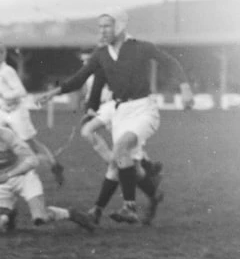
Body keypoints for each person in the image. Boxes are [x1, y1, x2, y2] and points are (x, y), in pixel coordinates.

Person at [37, 12, 193, 224]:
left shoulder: (140, 47)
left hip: (143, 110)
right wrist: (52, 94)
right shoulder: (101, 55)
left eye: (107, 26)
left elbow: (170, 62)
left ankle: (129, 207)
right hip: (120, 113)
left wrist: (184, 88)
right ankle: (99, 211)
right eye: (100, 27)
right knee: (118, 164)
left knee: (120, 150)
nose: (102, 31)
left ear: (119, 27)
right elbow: (78, 79)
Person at [0, 108, 95, 236]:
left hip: (24, 176)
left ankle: (70, 213)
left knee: (42, 218)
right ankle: (8, 215)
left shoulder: (4, 135)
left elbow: (32, 160)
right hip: (0, 183)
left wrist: (8, 175)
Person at [81, 65, 163, 224]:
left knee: (121, 164)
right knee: (128, 166)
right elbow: (90, 95)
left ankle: (97, 211)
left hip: (125, 111)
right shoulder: (95, 71)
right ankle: (153, 192)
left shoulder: (120, 63)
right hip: (108, 110)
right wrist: (90, 110)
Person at [0, 44, 65, 186]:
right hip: (4, 112)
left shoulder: (7, 71)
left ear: (3, 57)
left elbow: (21, 92)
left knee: (30, 142)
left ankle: (54, 165)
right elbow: (1, 91)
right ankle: (1, 165)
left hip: (17, 112)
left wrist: (0, 94)